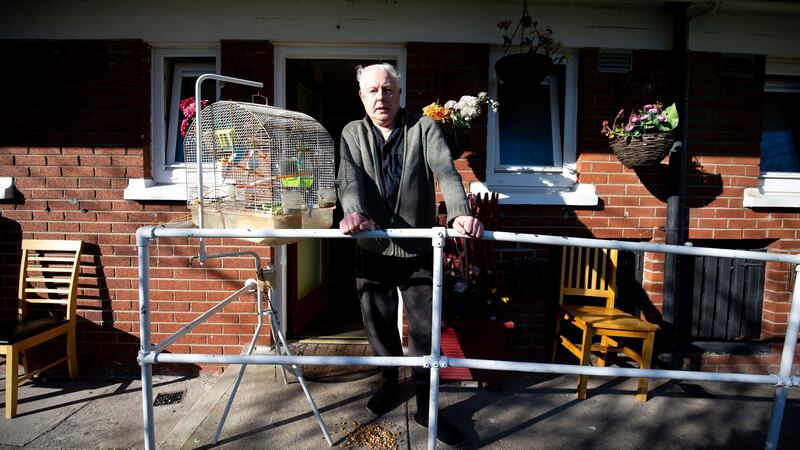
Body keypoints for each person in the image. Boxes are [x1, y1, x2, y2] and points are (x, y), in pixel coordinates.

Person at [336, 62, 483, 447]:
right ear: (362, 97)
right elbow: (348, 177)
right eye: (373, 91)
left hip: (418, 249)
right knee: (378, 325)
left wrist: (460, 213)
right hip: (372, 246)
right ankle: (388, 384)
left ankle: (425, 405)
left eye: (388, 89)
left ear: (400, 94)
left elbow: (446, 171)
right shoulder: (352, 132)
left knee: (424, 330)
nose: (381, 97)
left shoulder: (424, 128)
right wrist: (352, 211)